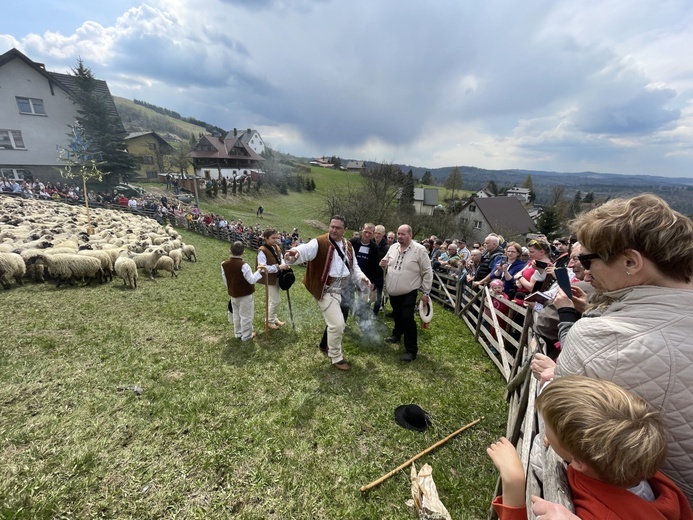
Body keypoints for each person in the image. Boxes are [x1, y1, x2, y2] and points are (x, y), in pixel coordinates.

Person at [530, 194, 693, 505]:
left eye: (588, 260)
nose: (585, 271)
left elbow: (553, 440)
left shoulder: (599, 337)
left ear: (631, 262)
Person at [488, 376, 693, 520]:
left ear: (579, 462)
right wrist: (565, 443)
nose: (546, 432)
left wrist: (513, 482)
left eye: (547, 427)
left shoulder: (602, 514)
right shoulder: (630, 458)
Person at [284, 216, 372, 371]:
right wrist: (295, 253)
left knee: (339, 321)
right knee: (337, 324)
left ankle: (325, 345)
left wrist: (362, 278)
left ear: (345, 230)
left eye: (338, 228)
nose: (333, 230)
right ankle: (336, 357)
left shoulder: (348, 245)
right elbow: (305, 249)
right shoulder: (320, 242)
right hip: (326, 291)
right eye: (332, 226)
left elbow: (354, 267)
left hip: (344, 290)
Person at [380, 225, 433, 362]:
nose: (400, 236)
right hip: (393, 290)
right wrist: (382, 263)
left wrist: (426, 293)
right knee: (397, 314)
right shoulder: (393, 248)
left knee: (407, 318)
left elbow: (427, 272)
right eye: (398, 233)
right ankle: (396, 334)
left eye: (403, 234)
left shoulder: (419, 250)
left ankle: (411, 350)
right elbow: (385, 262)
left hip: (409, 291)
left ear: (410, 234)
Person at [221, 241, 264, 342]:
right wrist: (259, 271)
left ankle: (238, 333)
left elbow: (225, 279)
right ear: (243, 252)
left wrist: (231, 288)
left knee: (236, 314)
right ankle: (246, 335)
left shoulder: (224, 264)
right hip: (245, 295)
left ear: (230, 251)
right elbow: (252, 280)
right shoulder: (244, 265)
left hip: (233, 294)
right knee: (246, 315)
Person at [257, 228, 290, 329]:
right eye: (273, 238)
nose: (276, 240)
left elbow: (280, 258)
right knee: (276, 300)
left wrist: (284, 265)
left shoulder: (276, 247)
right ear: (266, 238)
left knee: (273, 300)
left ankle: (273, 317)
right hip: (269, 279)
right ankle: (269, 321)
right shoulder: (262, 251)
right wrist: (278, 267)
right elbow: (262, 268)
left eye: (277, 237)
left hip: (277, 277)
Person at [350, 223, 380, 320]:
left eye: (370, 233)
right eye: (365, 232)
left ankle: (363, 323)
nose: (367, 235)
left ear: (373, 234)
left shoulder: (374, 248)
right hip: (351, 275)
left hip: (366, 278)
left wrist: (373, 282)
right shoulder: (353, 242)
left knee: (365, 303)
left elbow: (376, 266)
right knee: (346, 300)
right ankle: (343, 320)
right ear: (362, 230)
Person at [372, 224, 390, 315]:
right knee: (367, 292)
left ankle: (375, 312)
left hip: (380, 274)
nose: (376, 235)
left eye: (379, 233)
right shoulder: (371, 243)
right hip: (371, 273)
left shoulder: (387, 248)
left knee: (378, 294)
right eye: (375, 233)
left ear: (383, 234)